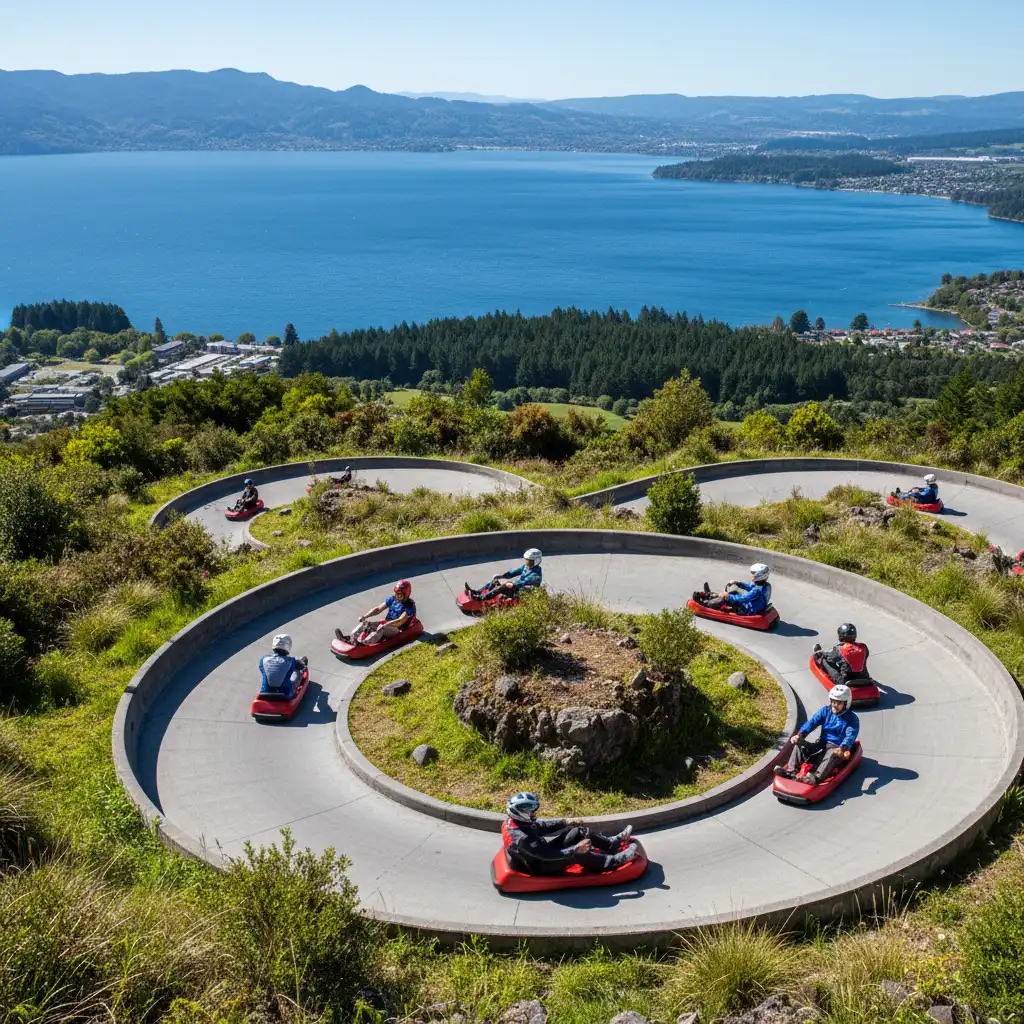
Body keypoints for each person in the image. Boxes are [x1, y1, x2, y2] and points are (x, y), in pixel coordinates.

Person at [502, 792, 637, 876]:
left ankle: (611, 844)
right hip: (541, 865)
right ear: (521, 813)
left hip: (539, 852)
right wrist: (575, 849)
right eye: (532, 812)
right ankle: (615, 861)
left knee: (579, 831)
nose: (534, 814)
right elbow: (548, 856)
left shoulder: (515, 822)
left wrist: (565, 822)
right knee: (578, 855)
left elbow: (541, 826)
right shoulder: (523, 837)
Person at [774, 684, 859, 786]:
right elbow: (812, 723)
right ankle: (790, 771)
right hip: (821, 743)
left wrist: (843, 748)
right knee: (799, 743)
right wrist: (800, 735)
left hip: (837, 747)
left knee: (833, 754)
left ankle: (814, 778)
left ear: (846, 703)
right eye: (833, 701)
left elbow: (850, 736)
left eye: (839, 703)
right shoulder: (825, 711)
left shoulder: (852, 719)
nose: (835, 705)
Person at [336, 580, 416, 646]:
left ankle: (363, 644)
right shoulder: (393, 599)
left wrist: (385, 625)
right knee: (366, 624)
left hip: (397, 629)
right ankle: (351, 639)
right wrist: (365, 616)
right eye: (396, 593)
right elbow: (378, 609)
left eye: (399, 594)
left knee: (381, 628)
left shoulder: (409, 605)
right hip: (386, 624)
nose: (396, 595)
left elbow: (400, 621)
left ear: (406, 594)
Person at [693, 562, 772, 616]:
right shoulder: (765, 585)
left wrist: (728, 596)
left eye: (753, 574)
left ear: (759, 575)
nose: (751, 576)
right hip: (752, 606)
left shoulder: (757, 590)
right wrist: (737, 583)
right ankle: (709, 595)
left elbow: (745, 598)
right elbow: (749, 587)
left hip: (747, 610)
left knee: (726, 598)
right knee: (734, 593)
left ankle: (705, 604)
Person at [465, 548, 543, 601]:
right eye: (526, 560)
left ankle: (480, 598)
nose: (526, 562)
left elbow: (523, 582)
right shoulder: (526, 567)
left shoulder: (535, 575)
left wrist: (511, 584)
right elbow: (514, 572)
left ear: (536, 561)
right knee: (495, 581)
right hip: (517, 588)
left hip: (523, 593)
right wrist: (502, 576)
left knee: (502, 587)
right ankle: (478, 592)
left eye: (529, 561)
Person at [259, 633, 307, 700]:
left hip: (264, 693)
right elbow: (302, 666)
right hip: (284, 694)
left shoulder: (263, 659)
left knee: (266, 674)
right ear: (288, 645)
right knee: (298, 673)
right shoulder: (291, 661)